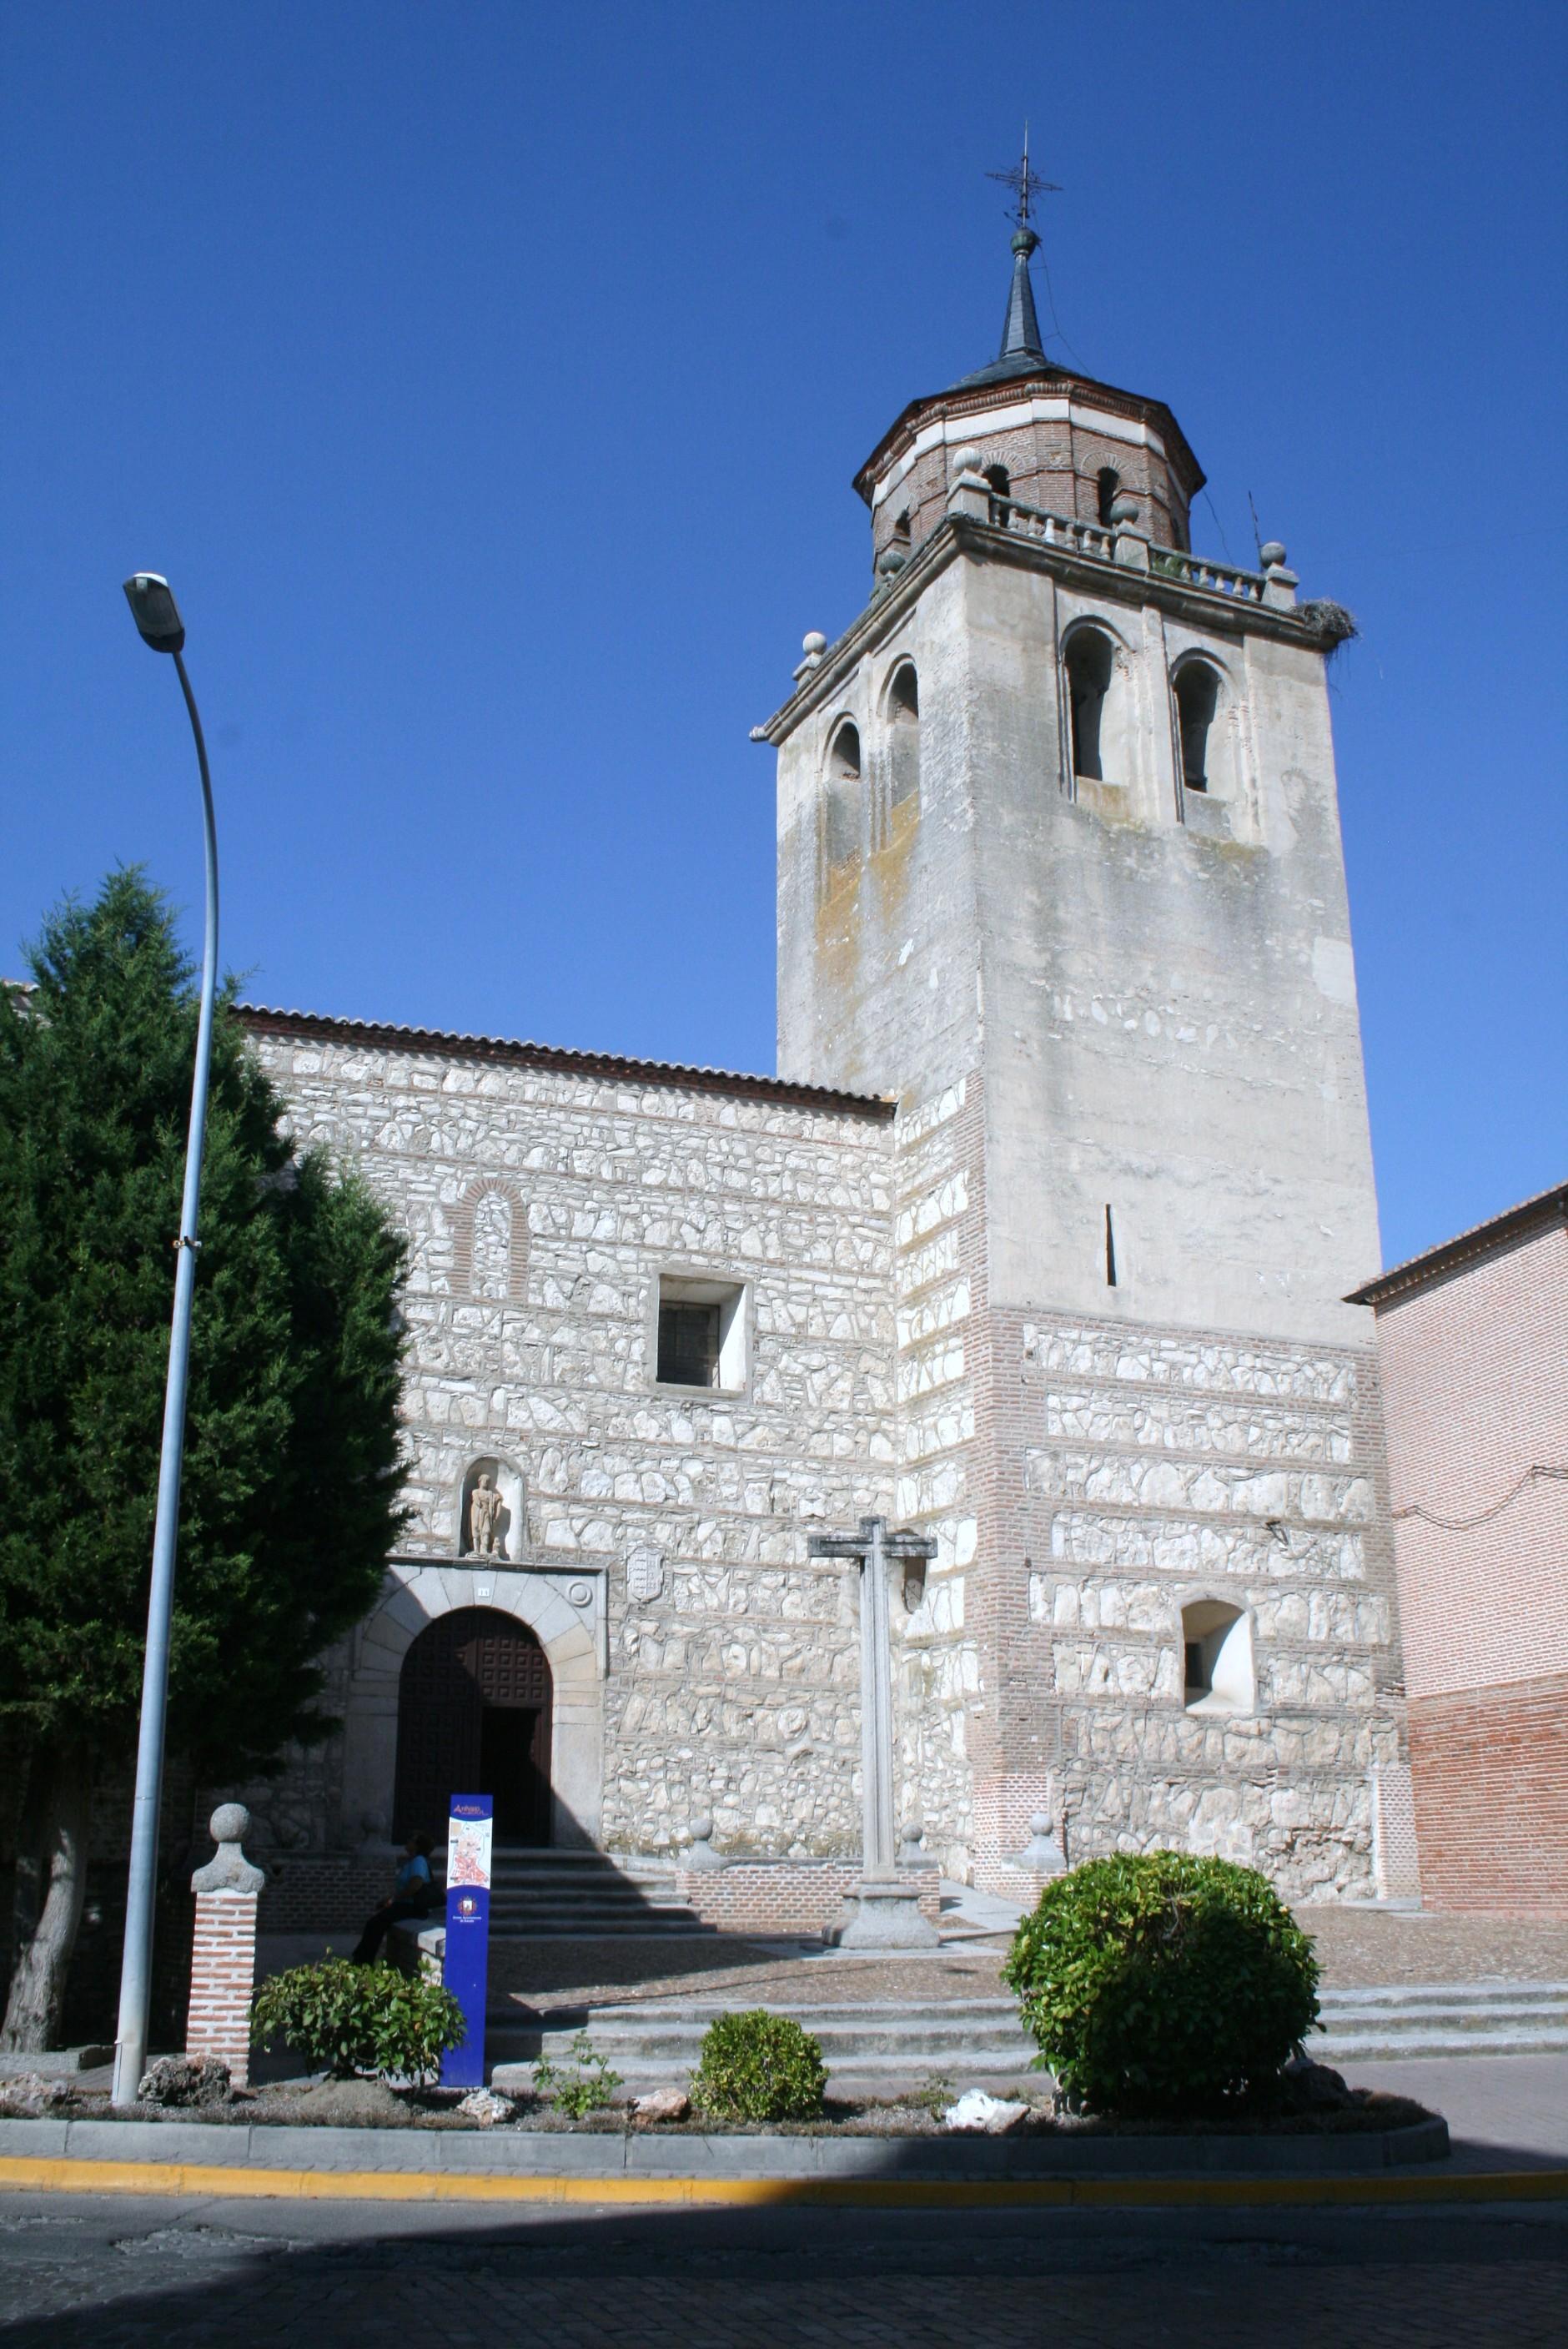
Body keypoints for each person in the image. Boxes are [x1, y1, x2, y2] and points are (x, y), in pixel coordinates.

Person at [351, 1831, 438, 1963]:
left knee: (375, 1924)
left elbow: (416, 1884)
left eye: (411, 1840)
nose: (407, 1842)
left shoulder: (418, 1861)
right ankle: (362, 1957)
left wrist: (395, 1898)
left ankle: (363, 1960)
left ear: (417, 1846)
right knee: (375, 1922)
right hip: (405, 1905)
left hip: (411, 1907)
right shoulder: (413, 1862)